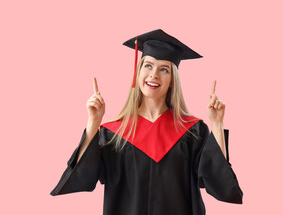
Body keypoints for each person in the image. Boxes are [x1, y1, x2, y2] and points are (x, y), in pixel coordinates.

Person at [50, 29, 243, 215]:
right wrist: (94, 121)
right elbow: (82, 177)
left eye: (164, 69)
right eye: (148, 65)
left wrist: (217, 124)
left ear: (172, 80)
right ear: (138, 71)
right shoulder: (113, 134)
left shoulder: (193, 131)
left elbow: (221, 186)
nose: (154, 75)